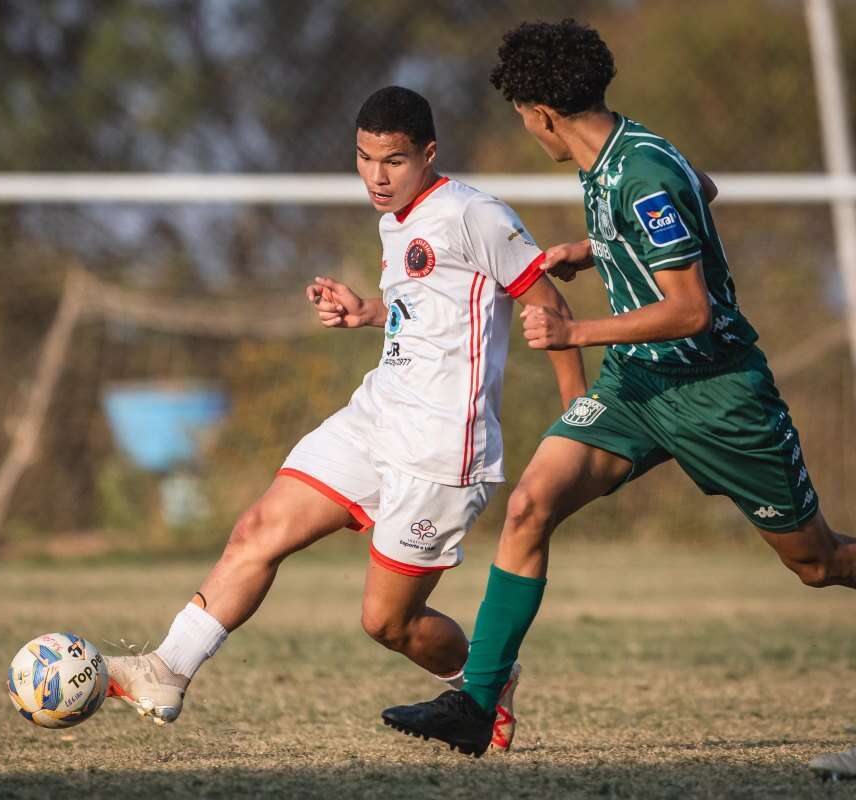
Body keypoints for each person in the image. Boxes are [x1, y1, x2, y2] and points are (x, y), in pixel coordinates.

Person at [381, 19, 856, 758]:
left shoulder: (638, 171)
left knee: (817, 563)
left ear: (540, 113)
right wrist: (593, 247)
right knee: (533, 506)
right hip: (638, 385)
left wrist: (574, 334)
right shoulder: (617, 156)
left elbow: (692, 308)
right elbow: (704, 186)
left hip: (717, 393)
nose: (526, 127)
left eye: (521, 116)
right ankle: (478, 704)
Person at [105, 85, 586, 752]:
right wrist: (366, 311)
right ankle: (166, 669)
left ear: (428, 153)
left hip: (442, 449)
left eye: (393, 161)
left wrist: (575, 419)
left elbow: (547, 305)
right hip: (376, 414)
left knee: (388, 622)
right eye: (364, 158)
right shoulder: (394, 222)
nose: (376, 177)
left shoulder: (474, 214)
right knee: (258, 527)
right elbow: (431, 310)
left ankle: (485, 684)